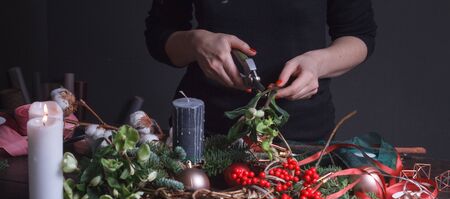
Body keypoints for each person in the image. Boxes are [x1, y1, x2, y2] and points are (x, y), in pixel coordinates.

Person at [145, 0, 376, 142]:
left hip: (303, 138)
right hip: (203, 135)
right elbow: (159, 35)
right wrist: (196, 43)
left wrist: (317, 63)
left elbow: (359, 35)